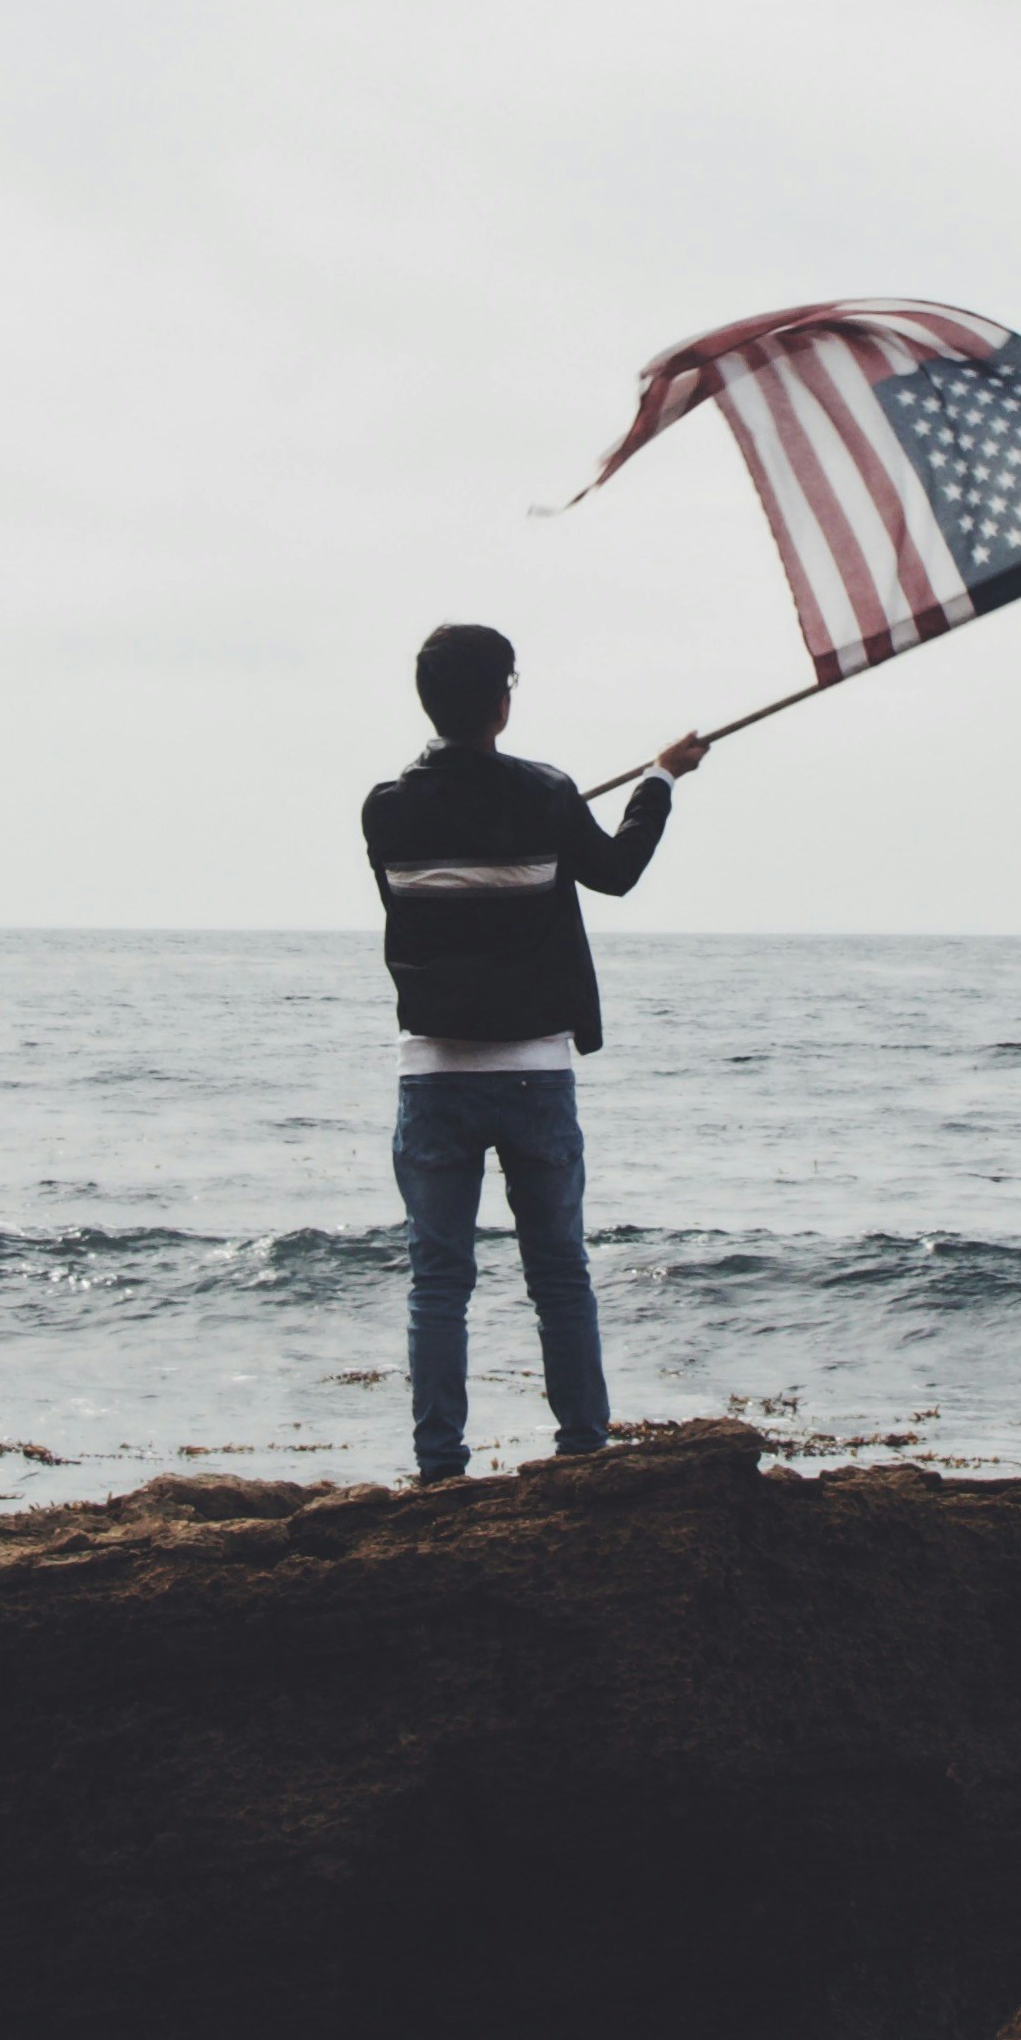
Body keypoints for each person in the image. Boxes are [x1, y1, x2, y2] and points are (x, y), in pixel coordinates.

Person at [362, 622, 707, 1484]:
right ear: (502, 700)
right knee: (558, 1273)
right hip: (535, 1073)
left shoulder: (386, 808)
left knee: (438, 1282)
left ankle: (438, 1468)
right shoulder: (547, 794)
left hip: (433, 1074)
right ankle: (583, 1452)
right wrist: (659, 779)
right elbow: (616, 871)